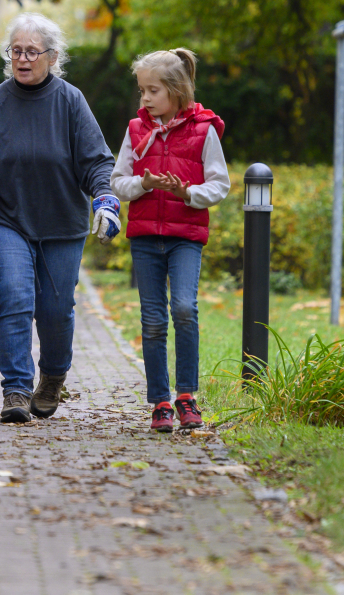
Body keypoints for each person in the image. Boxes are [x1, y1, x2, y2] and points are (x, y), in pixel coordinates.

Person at [0, 13, 121, 423]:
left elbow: (97, 161)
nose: (23, 59)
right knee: (14, 298)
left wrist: (105, 200)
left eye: (31, 51)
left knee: (57, 308)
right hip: (5, 218)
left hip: (61, 222)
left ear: (52, 56)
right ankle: (15, 389)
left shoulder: (70, 101)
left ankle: (52, 376)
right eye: (16, 51)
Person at [109, 49, 228, 432]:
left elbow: (220, 184)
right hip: (145, 238)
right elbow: (117, 183)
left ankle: (187, 396)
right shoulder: (135, 131)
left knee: (184, 309)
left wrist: (188, 193)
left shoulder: (204, 131)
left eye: (152, 91)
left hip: (184, 238)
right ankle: (160, 401)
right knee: (154, 319)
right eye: (142, 90)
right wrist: (143, 184)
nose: (144, 98)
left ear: (176, 91)